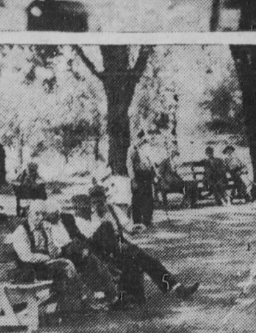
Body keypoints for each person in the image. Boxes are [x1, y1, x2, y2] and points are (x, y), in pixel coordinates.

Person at [70, 185, 199, 308]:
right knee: (135, 256)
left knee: (148, 261)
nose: (98, 204)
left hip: (120, 244)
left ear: (105, 198)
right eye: (94, 201)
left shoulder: (113, 209)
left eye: (100, 200)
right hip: (103, 251)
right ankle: (143, 294)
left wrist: (137, 228)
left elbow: (128, 229)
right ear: (91, 201)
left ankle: (175, 287)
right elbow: (91, 240)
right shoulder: (87, 217)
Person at [10, 200, 95, 314]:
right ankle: (81, 300)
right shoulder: (21, 231)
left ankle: (74, 304)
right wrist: (45, 257)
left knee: (67, 264)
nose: (40, 217)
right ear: (29, 213)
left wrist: (55, 249)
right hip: (28, 270)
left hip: (44, 268)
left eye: (43, 214)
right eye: (37, 214)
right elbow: (25, 256)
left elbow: (52, 251)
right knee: (66, 266)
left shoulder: (45, 229)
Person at [127, 131, 157, 227]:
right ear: (137, 138)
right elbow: (129, 165)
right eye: (142, 139)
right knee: (137, 199)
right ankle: (137, 221)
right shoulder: (132, 149)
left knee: (148, 198)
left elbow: (150, 162)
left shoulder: (145, 148)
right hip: (138, 177)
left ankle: (147, 220)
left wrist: (155, 174)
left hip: (147, 177)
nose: (143, 141)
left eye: (144, 139)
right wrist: (133, 179)